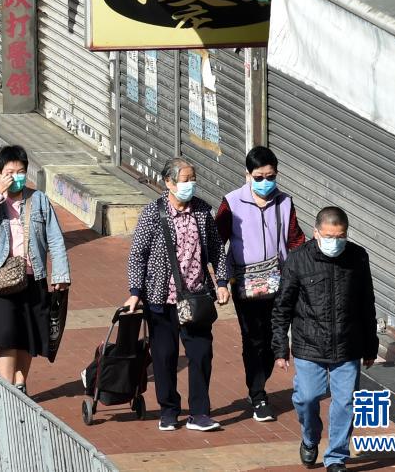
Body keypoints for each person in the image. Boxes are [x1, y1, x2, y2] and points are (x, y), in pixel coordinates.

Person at [124, 157, 229, 432]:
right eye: (185, 180)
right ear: (168, 182)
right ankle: (169, 410)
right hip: (161, 298)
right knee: (165, 355)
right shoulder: (152, 213)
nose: (190, 184)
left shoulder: (203, 212)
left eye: (193, 178)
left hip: (196, 298)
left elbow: (217, 250)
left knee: (201, 353)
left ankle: (199, 413)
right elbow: (138, 254)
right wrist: (135, 292)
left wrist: (221, 282)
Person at [271, 207, 378, 472]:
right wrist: (280, 348)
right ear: (316, 232)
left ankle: (336, 457)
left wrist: (370, 345)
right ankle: (310, 437)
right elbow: (282, 306)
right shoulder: (298, 259)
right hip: (309, 345)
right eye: (329, 236)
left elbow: (367, 303)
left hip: (347, 345)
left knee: (346, 402)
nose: (335, 242)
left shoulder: (357, 257)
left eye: (340, 236)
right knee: (308, 397)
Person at [216, 146, 306, 422]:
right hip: (244, 283)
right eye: (259, 176)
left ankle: (259, 380)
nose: (265, 182)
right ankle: (258, 395)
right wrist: (220, 280)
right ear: (247, 175)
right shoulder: (231, 203)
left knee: (273, 339)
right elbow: (217, 244)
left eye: (271, 176)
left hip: (278, 282)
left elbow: (295, 240)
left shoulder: (285, 202)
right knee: (252, 339)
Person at [0, 145, 70, 395]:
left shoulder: (39, 200)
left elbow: (55, 239)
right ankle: (7, 390)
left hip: (32, 277)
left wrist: (60, 275)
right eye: (10, 171)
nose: (16, 176)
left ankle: (20, 382)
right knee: (6, 336)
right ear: (0, 173)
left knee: (28, 337)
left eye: (21, 171)